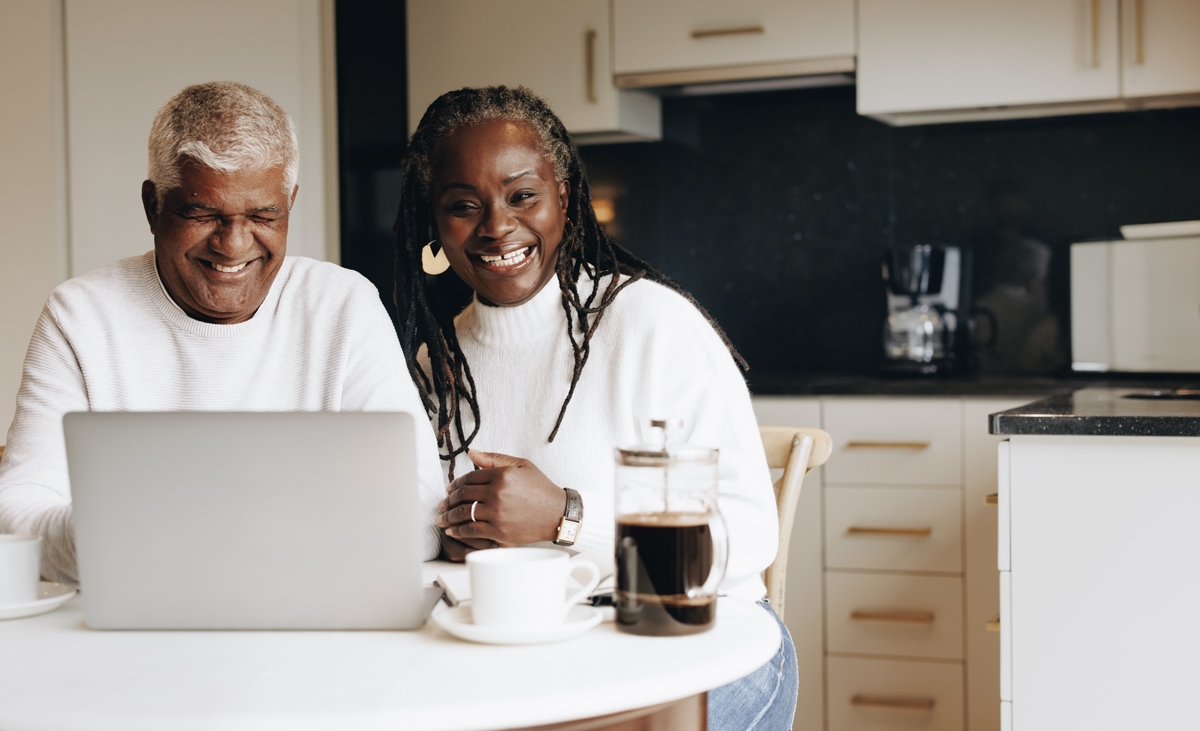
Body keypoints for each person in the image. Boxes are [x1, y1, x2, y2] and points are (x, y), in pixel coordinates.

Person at [393, 86, 795, 730]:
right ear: (432, 225)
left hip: (698, 647)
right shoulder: (434, 365)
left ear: (567, 202)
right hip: (532, 659)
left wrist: (565, 521)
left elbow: (750, 535)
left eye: (522, 196)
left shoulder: (648, 324)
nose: (497, 226)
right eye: (463, 206)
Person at [0, 81, 444, 585]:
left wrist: (217, 532)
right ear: (153, 207)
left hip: (308, 624)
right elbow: (16, 518)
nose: (232, 245)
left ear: (290, 204)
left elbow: (423, 506)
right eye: (203, 213)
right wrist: (112, 534)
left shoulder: (342, 305)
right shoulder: (80, 317)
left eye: (263, 215)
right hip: (132, 625)